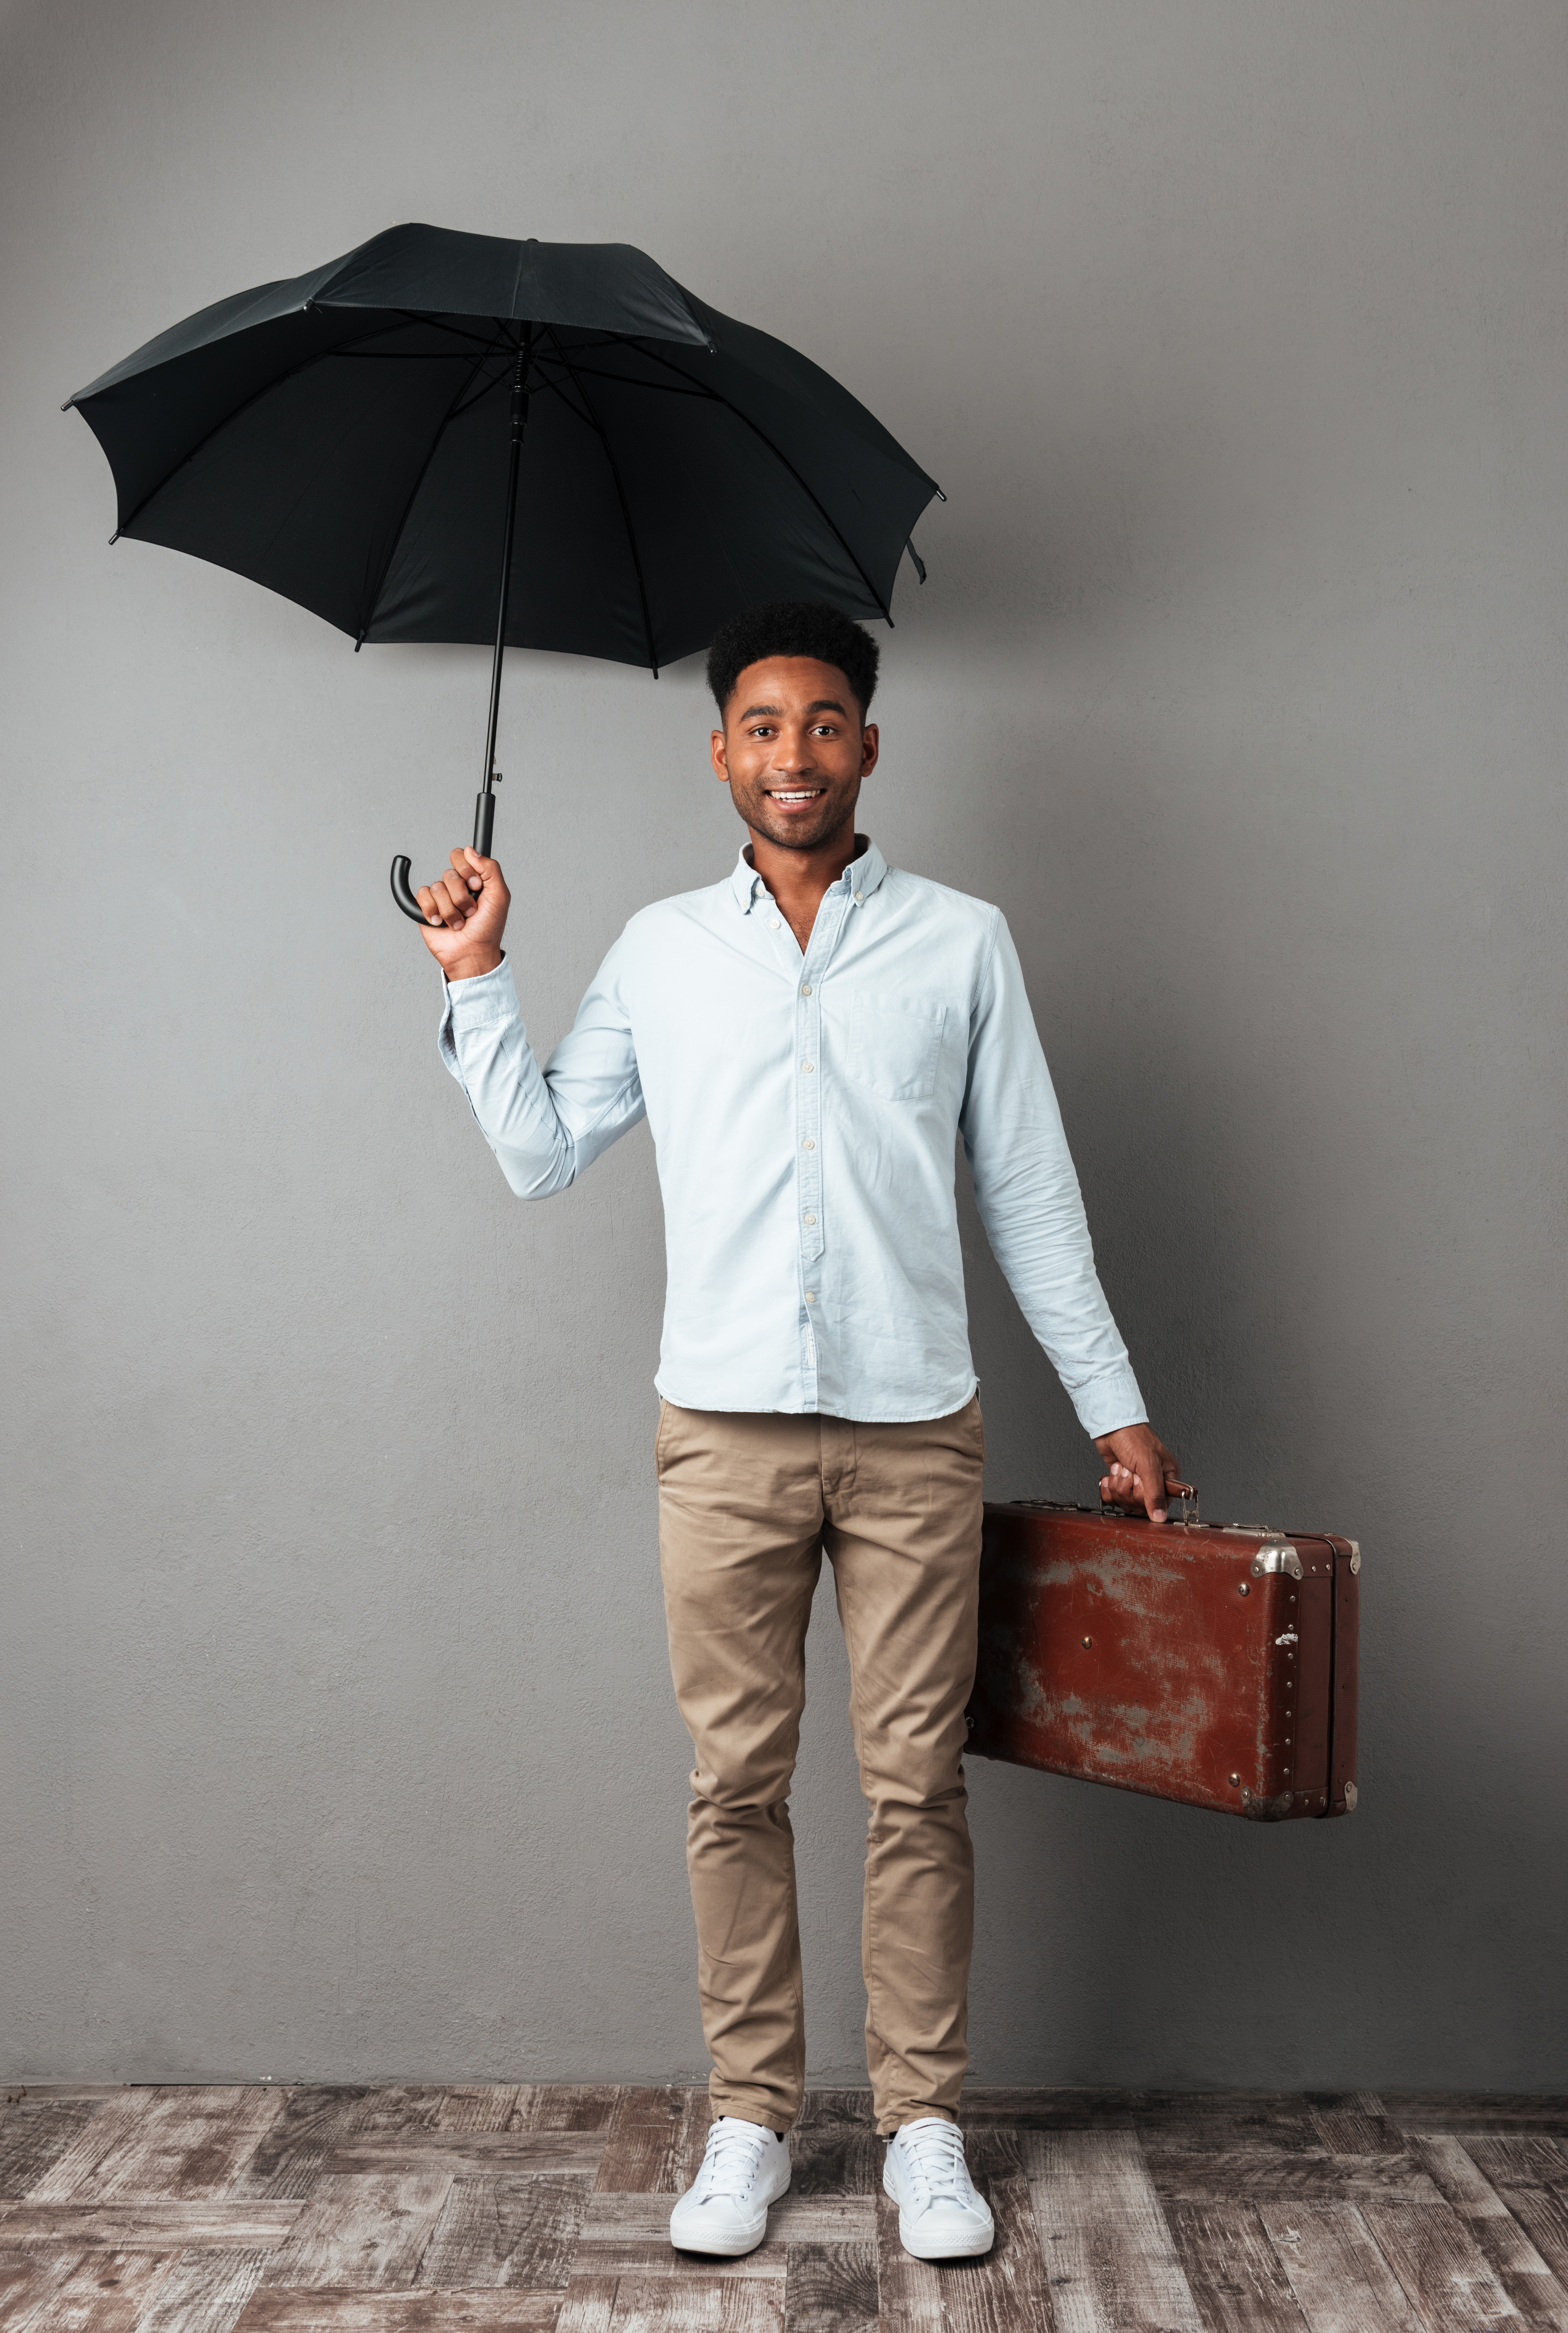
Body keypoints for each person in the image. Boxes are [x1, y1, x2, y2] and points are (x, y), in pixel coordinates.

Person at [414, 600, 1178, 2263]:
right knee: (733, 1784)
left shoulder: (964, 943)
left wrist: (1114, 1403)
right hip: (726, 1436)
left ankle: (922, 2130)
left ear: (871, 746)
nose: (792, 754)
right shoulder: (662, 951)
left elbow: (1029, 1193)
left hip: (917, 1431)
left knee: (914, 1790)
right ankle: (752, 2119)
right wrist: (479, 975)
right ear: (721, 752)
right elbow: (544, 1149)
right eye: (762, 725)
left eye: (824, 723)